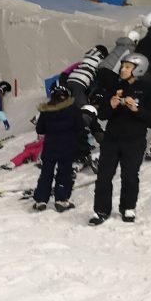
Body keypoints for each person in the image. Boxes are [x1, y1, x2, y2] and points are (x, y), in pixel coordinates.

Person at [90, 52, 151, 225]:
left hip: (134, 141)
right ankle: (101, 210)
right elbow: (102, 115)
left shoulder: (147, 89)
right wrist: (110, 105)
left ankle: (128, 207)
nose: (122, 69)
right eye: (122, 66)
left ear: (139, 69)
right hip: (111, 140)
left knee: (130, 176)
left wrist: (137, 110)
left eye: (127, 67)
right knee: (103, 176)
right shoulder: (115, 86)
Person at [31, 84, 85, 212]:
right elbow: (80, 128)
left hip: (50, 146)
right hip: (67, 146)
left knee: (46, 173)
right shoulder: (74, 109)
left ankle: (41, 200)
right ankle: (61, 199)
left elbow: (40, 129)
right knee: (64, 173)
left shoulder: (46, 110)